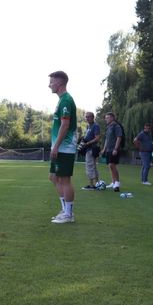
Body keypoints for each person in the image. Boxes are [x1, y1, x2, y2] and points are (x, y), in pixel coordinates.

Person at [48, 71, 77, 224]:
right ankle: (65, 210)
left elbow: (65, 125)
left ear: (59, 83)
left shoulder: (66, 100)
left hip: (64, 148)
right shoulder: (61, 100)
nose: (49, 85)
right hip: (59, 147)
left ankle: (68, 214)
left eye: (51, 82)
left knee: (64, 179)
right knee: (53, 177)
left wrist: (56, 146)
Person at [101, 112, 123, 192]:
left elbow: (119, 137)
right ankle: (113, 182)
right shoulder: (108, 127)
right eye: (106, 118)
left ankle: (117, 183)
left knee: (112, 165)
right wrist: (104, 149)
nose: (106, 119)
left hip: (114, 149)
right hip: (108, 149)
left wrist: (115, 149)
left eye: (107, 118)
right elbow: (107, 139)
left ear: (112, 118)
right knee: (110, 166)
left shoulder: (116, 126)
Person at [80, 111, 101, 190]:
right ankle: (97, 184)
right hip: (88, 148)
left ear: (93, 117)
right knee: (93, 166)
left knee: (90, 166)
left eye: (88, 117)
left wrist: (88, 143)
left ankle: (92, 185)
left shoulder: (95, 126)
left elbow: (97, 138)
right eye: (86, 117)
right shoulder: (88, 126)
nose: (87, 118)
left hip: (92, 148)